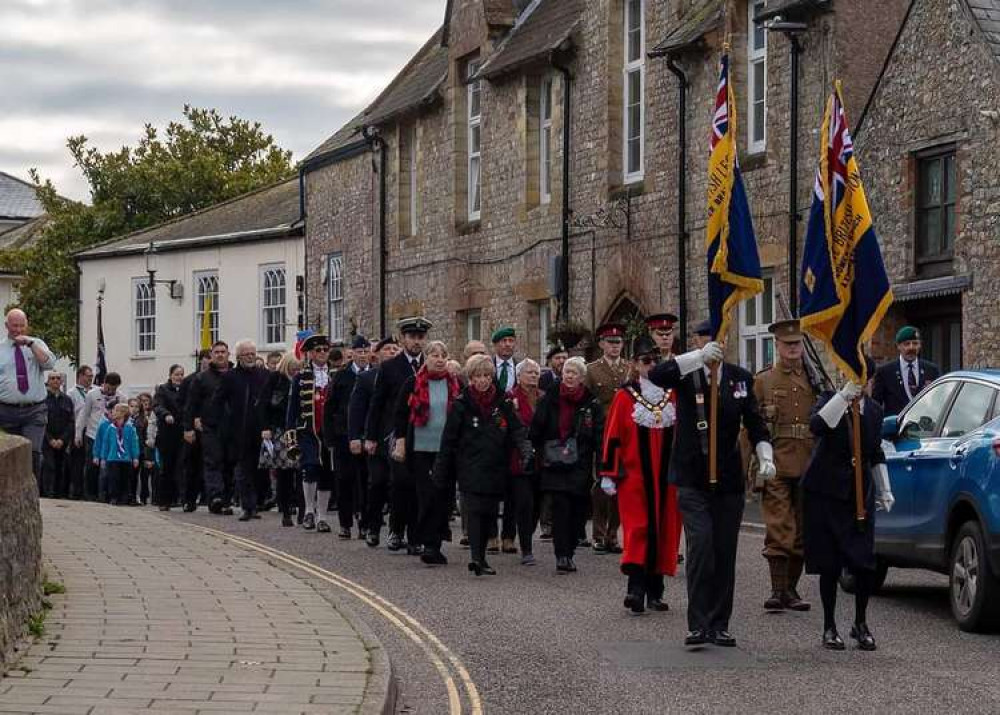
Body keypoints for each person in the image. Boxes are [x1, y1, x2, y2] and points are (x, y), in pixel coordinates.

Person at [648, 320, 774, 648]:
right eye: (704, 339)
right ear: (696, 341)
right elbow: (657, 376)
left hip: (728, 479)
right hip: (692, 476)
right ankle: (698, 623)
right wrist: (696, 358)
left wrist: (765, 455)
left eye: (716, 339)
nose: (711, 344)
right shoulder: (686, 374)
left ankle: (719, 624)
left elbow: (756, 424)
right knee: (701, 547)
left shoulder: (740, 379)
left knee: (723, 552)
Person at [802, 362, 894, 651]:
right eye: (854, 377)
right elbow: (816, 426)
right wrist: (842, 398)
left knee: (865, 562)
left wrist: (885, 488)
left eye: (864, 379)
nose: (860, 383)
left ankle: (860, 623)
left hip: (859, 495)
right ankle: (829, 626)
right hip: (826, 491)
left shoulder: (875, 411)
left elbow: (875, 451)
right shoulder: (829, 400)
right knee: (829, 564)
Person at [600, 335, 682, 613]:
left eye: (656, 360)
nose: (652, 365)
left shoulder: (672, 395)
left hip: (667, 478)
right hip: (634, 478)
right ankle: (635, 589)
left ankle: (655, 591)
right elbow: (613, 436)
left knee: (663, 529)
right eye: (646, 361)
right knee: (638, 529)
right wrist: (609, 473)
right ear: (635, 364)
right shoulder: (625, 397)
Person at [434, 354, 530, 575]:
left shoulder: (502, 402)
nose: (483, 380)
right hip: (470, 464)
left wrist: (526, 451)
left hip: (496, 464)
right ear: (471, 378)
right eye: (478, 376)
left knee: (488, 510)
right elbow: (448, 440)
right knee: (475, 510)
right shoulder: (461, 404)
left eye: (487, 375)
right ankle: (476, 559)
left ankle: (482, 557)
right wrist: (441, 469)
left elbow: (517, 429)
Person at [754, 320, 817, 612]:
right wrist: (748, 468)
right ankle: (777, 590)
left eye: (797, 344)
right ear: (777, 346)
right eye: (787, 344)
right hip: (775, 463)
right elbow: (751, 427)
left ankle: (791, 589)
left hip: (808, 463)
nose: (793, 349)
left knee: (804, 529)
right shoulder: (764, 381)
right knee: (780, 527)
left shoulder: (815, 380)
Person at [531, 357, 604, 574]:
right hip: (554, 462)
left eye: (574, 373)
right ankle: (561, 554)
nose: (570, 376)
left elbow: (599, 435)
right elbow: (536, 429)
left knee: (578, 511)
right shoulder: (550, 397)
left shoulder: (591, 402)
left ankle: (570, 548)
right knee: (561, 509)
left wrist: (601, 463)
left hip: (580, 463)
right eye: (567, 372)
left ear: (582, 378)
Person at [392, 340, 462, 564]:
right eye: (434, 355)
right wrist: (401, 442)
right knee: (427, 496)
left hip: (447, 450)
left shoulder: (455, 383)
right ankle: (428, 544)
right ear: (426, 358)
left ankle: (434, 542)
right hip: (421, 449)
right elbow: (400, 415)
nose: (440, 359)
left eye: (443, 355)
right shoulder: (413, 383)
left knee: (444, 497)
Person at [366, 317, 431, 552]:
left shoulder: (430, 364)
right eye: (412, 337)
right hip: (396, 434)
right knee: (400, 483)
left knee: (417, 485)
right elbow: (377, 403)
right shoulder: (390, 366)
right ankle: (395, 529)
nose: (416, 342)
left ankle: (415, 538)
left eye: (420, 337)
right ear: (403, 338)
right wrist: (371, 436)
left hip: (424, 434)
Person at [585, 323, 630, 555]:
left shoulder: (630, 369)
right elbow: (585, 404)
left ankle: (614, 534)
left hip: (626, 434)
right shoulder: (592, 370)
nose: (615, 347)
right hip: (603, 433)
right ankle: (599, 534)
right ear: (602, 344)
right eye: (610, 342)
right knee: (602, 484)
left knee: (622, 484)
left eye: (618, 342)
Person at [0, 308, 57, 483]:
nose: (17, 330)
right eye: (14, 326)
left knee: (33, 453)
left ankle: (30, 494)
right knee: (8, 455)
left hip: (34, 411)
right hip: (5, 411)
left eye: (21, 326)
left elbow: (49, 363)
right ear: (6, 326)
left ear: (27, 325)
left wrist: (31, 344)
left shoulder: (37, 344)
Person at [216, 339, 270, 521]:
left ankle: (257, 503)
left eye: (253, 354)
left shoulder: (264, 375)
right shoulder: (230, 377)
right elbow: (219, 401)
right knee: (243, 470)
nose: (250, 357)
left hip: (262, 430)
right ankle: (248, 506)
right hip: (238, 430)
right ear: (238, 356)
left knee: (258, 471)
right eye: (247, 354)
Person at [325, 335, 372, 539]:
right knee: (344, 479)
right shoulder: (342, 376)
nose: (362, 355)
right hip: (343, 434)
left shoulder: (375, 375)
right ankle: (345, 523)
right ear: (351, 353)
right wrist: (329, 438)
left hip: (367, 434)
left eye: (365, 351)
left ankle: (364, 523)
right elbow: (330, 407)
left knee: (366, 480)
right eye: (359, 352)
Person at [288, 333, 336, 531]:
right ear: (309, 354)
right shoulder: (300, 378)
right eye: (318, 350)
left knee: (327, 474)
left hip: (330, 433)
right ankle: (309, 510)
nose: (323, 353)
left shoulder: (335, 375)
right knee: (310, 468)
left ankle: (322, 517)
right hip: (308, 432)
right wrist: (291, 437)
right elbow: (292, 410)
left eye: (325, 350)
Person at [355, 337, 400, 546]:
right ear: (378, 354)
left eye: (395, 349)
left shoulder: (405, 374)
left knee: (397, 486)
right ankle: (372, 527)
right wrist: (361, 437)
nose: (392, 352)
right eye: (388, 349)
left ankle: (395, 530)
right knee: (378, 483)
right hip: (377, 439)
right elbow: (360, 410)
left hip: (399, 438)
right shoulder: (366, 378)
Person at [184, 341, 234, 515]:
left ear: (229, 354)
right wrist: (188, 427)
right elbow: (191, 404)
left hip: (233, 427)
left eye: (223, 352)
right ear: (211, 355)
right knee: (213, 461)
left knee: (229, 463)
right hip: (210, 426)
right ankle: (215, 496)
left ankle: (226, 500)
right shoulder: (201, 378)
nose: (220, 355)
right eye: (217, 352)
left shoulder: (235, 375)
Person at [258, 352, 301, 527]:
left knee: (301, 472)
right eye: (294, 367)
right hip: (279, 430)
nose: (296, 371)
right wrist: (265, 427)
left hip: (298, 430)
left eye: (298, 368)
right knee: (284, 472)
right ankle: (285, 508)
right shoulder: (275, 379)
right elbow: (263, 404)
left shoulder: (302, 381)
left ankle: (301, 508)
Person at [508, 359, 543, 565]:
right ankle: (526, 548)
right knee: (524, 503)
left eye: (536, 373)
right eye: (529, 372)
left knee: (537, 503)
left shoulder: (543, 397)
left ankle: (527, 534)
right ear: (519, 376)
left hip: (540, 458)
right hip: (518, 458)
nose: (533, 376)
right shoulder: (511, 397)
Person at [76, 372, 125, 502]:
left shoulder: (121, 398)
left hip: (111, 436)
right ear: (104, 383)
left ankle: (106, 494)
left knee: (109, 466)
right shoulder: (92, 394)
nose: (111, 391)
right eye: (109, 388)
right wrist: (78, 433)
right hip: (93, 434)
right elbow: (84, 414)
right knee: (92, 465)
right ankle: (90, 494)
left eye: (114, 389)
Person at [872, 326, 941, 417]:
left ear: (920, 345)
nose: (911, 348)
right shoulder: (885, 372)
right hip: (895, 428)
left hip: (925, 427)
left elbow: (939, 401)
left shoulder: (931, 370)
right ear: (898, 346)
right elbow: (876, 405)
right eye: (907, 344)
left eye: (915, 343)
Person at [179, 350, 211, 511]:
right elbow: (183, 406)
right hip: (194, 430)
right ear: (201, 361)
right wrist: (189, 425)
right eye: (206, 359)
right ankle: (188, 500)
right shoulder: (189, 381)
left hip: (212, 429)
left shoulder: (220, 379)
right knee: (191, 466)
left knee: (213, 465)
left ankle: (212, 498)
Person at [92, 402, 140, 506]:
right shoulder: (110, 428)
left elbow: (134, 443)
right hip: (112, 458)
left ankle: (124, 497)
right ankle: (113, 497)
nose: (115, 414)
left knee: (125, 479)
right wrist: (102, 458)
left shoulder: (130, 429)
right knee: (113, 479)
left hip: (126, 459)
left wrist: (135, 457)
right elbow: (105, 443)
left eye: (118, 412)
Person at [153, 364, 185, 511]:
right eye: (177, 374)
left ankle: (179, 498)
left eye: (181, 374)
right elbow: (158, 406)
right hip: (167, 433)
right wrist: (166, 415)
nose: (179, 377)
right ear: (171, 375)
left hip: (182, 433)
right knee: (167, 467)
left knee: (181, 466)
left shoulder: (186, 389)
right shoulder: (163, 390)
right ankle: (164, 500)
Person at [41, 372, 74, 498]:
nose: (55, 380)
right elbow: (40, 421)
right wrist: (50, 439)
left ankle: (58, 492)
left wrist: (62, 439)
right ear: (48, 381)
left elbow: (71, 421)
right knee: (49, 465)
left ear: (62, 382)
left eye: (58, 378)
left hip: (62, 439)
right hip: (46, 439)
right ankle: (48, 492)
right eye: (52, 378)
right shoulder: (42, 398)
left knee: (61, 466)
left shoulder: (67, 400)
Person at [68, 365, 94, 499]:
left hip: (92, 429)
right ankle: (76, 491)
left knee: (90, 461)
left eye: (91, 376)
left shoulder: (95, 391)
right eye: (88, 376)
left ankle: (89, 491)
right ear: (80, 376)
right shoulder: (72, 393)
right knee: (78, 462)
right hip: (78, 428)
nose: (91, 379)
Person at [491, 327, 519, 394]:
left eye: (511, 341)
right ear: (495, 345)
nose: (508, 344)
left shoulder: (520, 367)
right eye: (504, 341)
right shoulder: (489, 365)